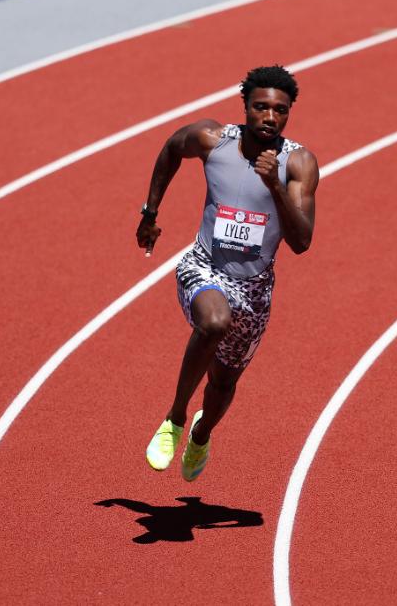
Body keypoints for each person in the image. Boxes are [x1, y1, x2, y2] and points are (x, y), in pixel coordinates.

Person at [136, 65, 319, 481]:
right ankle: (176, 418)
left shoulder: (298, 163)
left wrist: (274, 185)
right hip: (204, 266)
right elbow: (169, 148)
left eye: (280, 110)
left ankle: (201, 433)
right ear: (246, 107)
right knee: (213, 322)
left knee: (222, 384)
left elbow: (302, 241)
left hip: (254, 289)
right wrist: (150, 212)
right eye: (261, 108)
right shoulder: (212, 138)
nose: (270, 117)